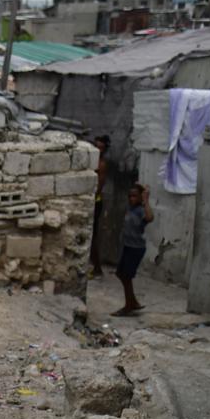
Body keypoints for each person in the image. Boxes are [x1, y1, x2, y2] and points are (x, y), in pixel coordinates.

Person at [114, 184, 154, 316]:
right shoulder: (130, 208)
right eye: (130, 196)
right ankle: (132, 302)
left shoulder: (141, 210)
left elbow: (150, 218)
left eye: (134, 196)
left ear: (140, 197)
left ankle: (129, 305)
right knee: (121, 274)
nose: (131, 198)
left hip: (136, 248)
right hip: (127, 246)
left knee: (126, 275)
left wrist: (146, 199)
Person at [88, 135, 110, 278]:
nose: (98, 150)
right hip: (92, 200)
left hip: (95, 201)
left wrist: (90, 199)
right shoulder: (93, 161)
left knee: (92, 235)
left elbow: (99, 187)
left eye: (101, 148)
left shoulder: (101, 164)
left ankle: (97, 268)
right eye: (97, 146)